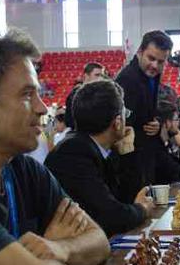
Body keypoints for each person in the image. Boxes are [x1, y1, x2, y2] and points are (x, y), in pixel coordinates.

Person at [0, 29, 109, 265]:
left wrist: (58, 248)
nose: (42, 108)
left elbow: (99, 240)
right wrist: (46, 264)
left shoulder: (23, 169)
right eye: (27, 95)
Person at [45, 80, 154, 237]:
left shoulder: (96, 147)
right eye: (125, 114)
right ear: (117, 123)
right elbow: (112, 217)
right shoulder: (73, 152)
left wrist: (127, 151)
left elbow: (128, 199)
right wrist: (142, 209)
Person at [115, 30, 173, 190]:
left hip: (148, 153)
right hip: (133, 159)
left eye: (160, 61)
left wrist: (157, 123)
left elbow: (151, 112)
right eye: (151, 58)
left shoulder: (151, 74)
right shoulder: (127, 79)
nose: (155, 65)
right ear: (140, 52)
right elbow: (122, 125)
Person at [154, 100, 180, 184]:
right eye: (176, 119)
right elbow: (179, 174)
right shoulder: (157, 148)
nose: (178, 123)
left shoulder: (166, 144)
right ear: (167, 123)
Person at [64, 62, 105, 129]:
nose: (101, 78)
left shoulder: (98, 93)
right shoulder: (77, 93)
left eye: (102, 76)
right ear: (86, 76)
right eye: (97, 75)